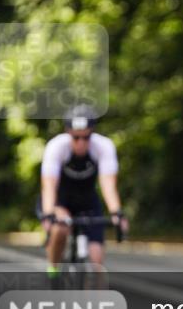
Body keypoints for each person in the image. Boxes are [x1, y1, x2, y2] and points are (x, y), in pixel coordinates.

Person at [39, 104, 127, 275]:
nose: (81, 143)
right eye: (76, 137)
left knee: (97, 261)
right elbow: (49, 186)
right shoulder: (56, 147)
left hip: (87, 200)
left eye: (86, 138)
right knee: (60, 229)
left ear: (92, 133)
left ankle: (92, 291)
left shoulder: (103, 146)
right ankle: (53, 270)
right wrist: (49, 214)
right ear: (68, 132)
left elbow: (108, 185)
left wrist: (117, 212)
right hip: (60, 200)